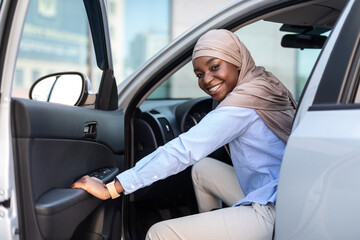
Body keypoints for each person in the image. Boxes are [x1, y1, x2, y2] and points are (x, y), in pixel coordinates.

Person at [72, 29, 297, 240]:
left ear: (237, 60)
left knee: (159, 234)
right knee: (202, 170)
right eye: (199, 74)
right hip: (283, 189)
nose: (207, 80)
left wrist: (111, 188)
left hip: (276, 211)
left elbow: (183, 150)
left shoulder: (239, 106)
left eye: (215, 67)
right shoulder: (264, 84)